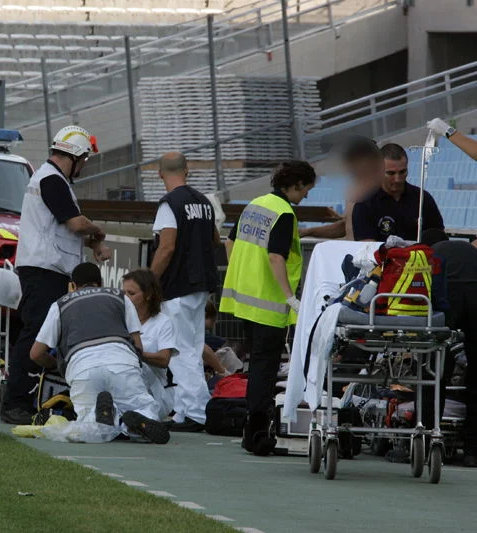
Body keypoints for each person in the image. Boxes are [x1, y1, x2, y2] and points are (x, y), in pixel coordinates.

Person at [2, 125, 111, 424]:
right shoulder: (52, 180)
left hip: (45, 269)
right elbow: (76, 224)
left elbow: (64, 227)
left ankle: (24, 400)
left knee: (38, 336)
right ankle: (15, 403)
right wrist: (97, 232)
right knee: (35, 336)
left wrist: (91, 240)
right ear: (75, 156)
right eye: (85, 160)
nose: (85, 166)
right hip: (44, 271)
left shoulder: (52, 180)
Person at [221, 160, 316, 456]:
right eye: (306, 190)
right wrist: (290, 297)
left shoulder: (256, 204)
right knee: (265, 368)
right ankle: (259, 435)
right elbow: (276, 257)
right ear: (297, 185)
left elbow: (230, 242)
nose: (307, 196)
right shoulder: (285, 213)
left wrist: (244, 272)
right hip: (268, 304)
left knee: (257, 366)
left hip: (244, 300)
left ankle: (252, 433)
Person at [30, 263, 169, 444]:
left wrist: (55, 365)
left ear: (73, 285)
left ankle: (103, 419)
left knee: (89, 426)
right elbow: (138, 347)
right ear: (101, 282)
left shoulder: (60, 305)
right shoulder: (121, 298)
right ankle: (131, 424)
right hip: (121, 361)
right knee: (143, 407)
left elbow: (35, 354)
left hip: (81, 367)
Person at [149, 152, 218, 432]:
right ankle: (185, 411)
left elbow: (166, 247)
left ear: (159, 173)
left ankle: (196, 413)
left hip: (177, 286)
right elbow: (214, 238)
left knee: (180, 352)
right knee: (191, 347)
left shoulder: (169, 204)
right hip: (201, 284)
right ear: (187, 171)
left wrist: (149, 281)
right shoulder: (204, 201)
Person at [421, 228, 477, 467]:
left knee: (433, 375)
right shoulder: (467, 250)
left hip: (447, 301)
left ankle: (426, 444)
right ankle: (472, 450)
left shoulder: (428, 254)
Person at [352, 143, 444, 241]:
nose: (397, 179)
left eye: (402, 172)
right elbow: (367, 245)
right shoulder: (365, 203)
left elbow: (438, 237)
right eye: (391, 173)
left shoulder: (422, 198)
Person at [300, 136, 383, 240]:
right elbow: (345, 227)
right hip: (353, 253)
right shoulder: (353, 190)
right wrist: (308, 231)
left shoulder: (382, 191)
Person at [122, 268, 177, 421]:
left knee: (134, 367)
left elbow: (164, 360)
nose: (125, 299)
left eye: (131, 294)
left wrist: (137, 353)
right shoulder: (118, 319)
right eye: (124, 294)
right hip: (123, 384)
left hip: (154, 391)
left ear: (148, 295)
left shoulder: (163, 322)